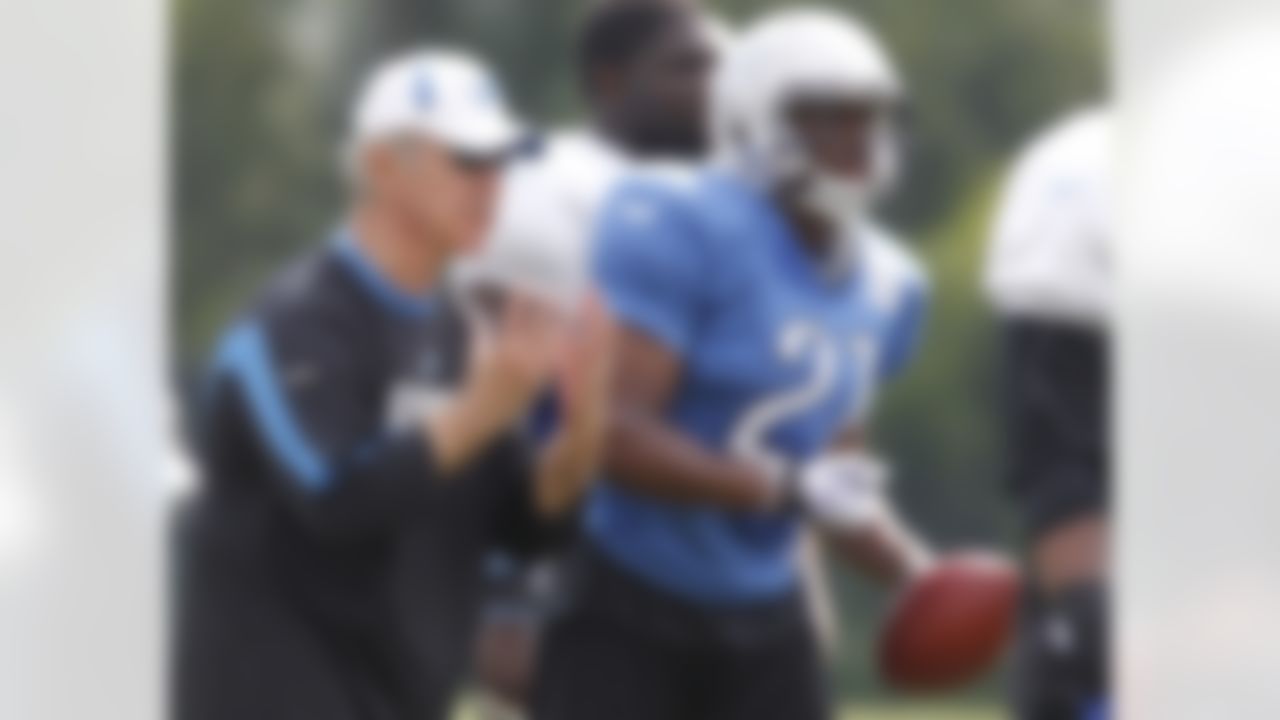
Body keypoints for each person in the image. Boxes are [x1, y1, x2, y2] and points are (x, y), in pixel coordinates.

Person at [173, 49, 612, 720]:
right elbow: (338, 501)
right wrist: (482, 410)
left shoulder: (458, 334)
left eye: (500, 162)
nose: (491, 184)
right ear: (382, 165)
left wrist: (586, 419)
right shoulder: (292, 323)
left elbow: (525, 528)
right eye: (468, 160)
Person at [532, 9, 936, 720]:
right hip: (628, 596)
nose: (855, 139)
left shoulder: (889, 282)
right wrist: (782, 487)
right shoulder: (679, 218)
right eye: (826, 116)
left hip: (766, 611)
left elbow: (838, 484)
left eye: (867, 116)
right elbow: (614, 434)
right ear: (753, 120)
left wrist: (922, 574)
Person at [466, 1, 723, 714]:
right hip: (570, 530)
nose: (715, 86)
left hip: (690, 532)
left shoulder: (722, 197)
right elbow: (506, 382)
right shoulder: (549, 182)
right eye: (688, 67)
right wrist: (511, 585)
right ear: (611, 80)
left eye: (720, 67)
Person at [986, 107, 1111, 720]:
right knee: (1088, 643)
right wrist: (1089, 611)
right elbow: (1056, 451)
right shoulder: (1091, 175)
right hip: (1154, 619)